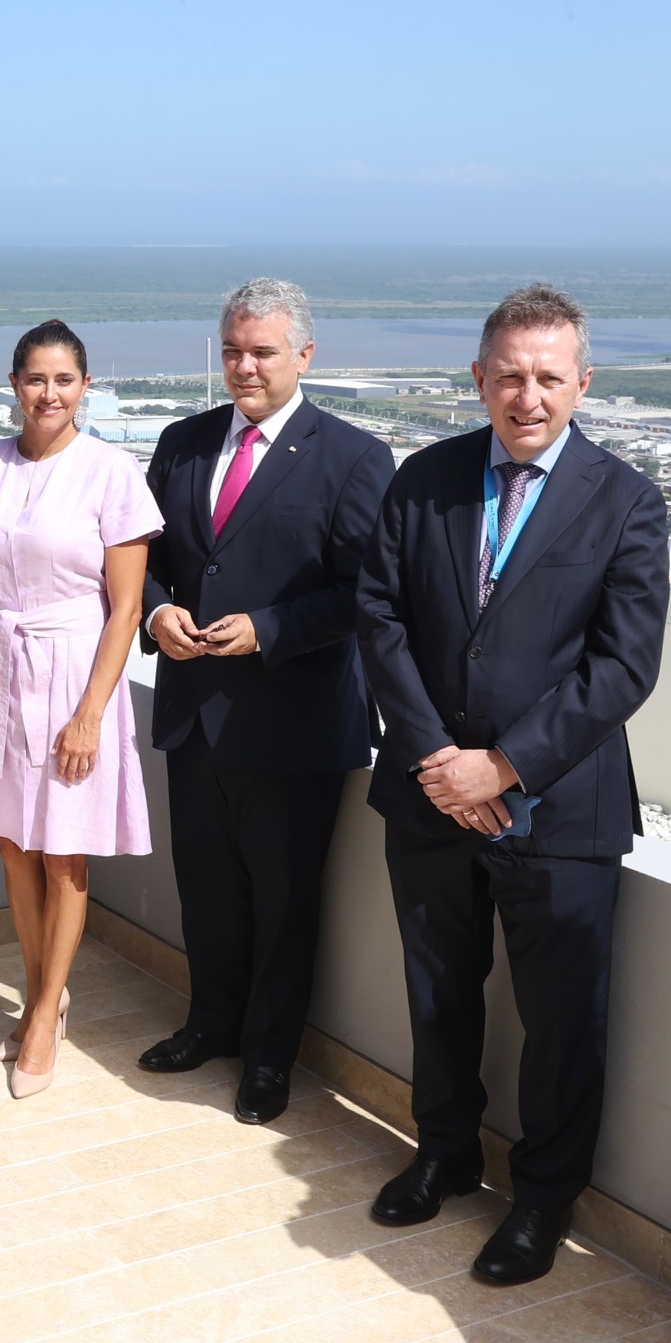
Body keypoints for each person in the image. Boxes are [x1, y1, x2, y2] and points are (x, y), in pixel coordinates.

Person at [357, 283, 669, 1285]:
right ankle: (444, 1151)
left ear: (583, 382)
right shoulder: (425, 479)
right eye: (509, 375)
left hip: (561, 807)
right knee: (439, 989)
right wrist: (436, 762)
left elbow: (622, 668)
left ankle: (540, 1199)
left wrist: (502, 763)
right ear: (479, 378)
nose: (526, 395)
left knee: (560, 1019)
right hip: (428, 792)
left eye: (548, 376)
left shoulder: (627, 501)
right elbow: (380, 619)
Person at [133, 278, 393, 1127]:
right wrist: (156, 609)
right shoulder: (181, 441)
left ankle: (270, 1057)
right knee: (204, 885)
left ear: (305, 356)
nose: (244, 366)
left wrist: (271, 628)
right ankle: (210, 1024)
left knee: (285, 901)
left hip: (294, 722)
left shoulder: (354, 458)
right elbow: (154, 561)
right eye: (233, 350)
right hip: (194, 709)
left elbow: (367, 592)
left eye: (263, 352)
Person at [0, 320, 160, 1098]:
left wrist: (90, 714)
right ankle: (47, 993)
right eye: (36, 378)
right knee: (13, 846)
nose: (50, 393)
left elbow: (127, 607)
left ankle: (39, 1017)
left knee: (64, 851)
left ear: (85, 387)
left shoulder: (111, 471)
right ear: (14, 384)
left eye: (65, 379)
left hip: (76, 671)